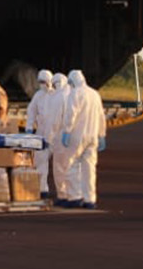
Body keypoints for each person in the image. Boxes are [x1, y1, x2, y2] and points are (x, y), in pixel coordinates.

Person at [59, 70, 107, 209]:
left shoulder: (74, 93)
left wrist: (66, 131)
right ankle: (90, 199)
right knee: (89, 169)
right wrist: (102, 134)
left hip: (77, 135)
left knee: (71, 165)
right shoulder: (94, 94)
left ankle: (75, 197)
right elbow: (101, 116)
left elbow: (70, 115)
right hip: (93, 136)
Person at [25, 69, 57, 197]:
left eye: (44, 81)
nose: (42, 84)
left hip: (56, 134)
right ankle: (43, 189)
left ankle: (67, 192)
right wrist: (29, 127)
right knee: (40, 162)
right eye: (40, 82)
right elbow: (31, 111)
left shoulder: (57, 95)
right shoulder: (38, 95)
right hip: (42, 133)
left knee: (62, 165)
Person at [47, 72, 73, 203]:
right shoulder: (73, 94)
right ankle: (74, 194)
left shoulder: (59, 96)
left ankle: (63, 195)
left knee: (59, 167)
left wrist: (49, 138)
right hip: (73, 136)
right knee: (72, 167)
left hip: (61, 136)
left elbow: (55, 121)